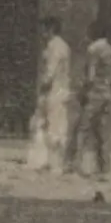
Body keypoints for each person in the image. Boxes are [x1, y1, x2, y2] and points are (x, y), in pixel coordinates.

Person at [74, 19, 111, 179]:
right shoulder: (109, 49)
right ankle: (104, 166)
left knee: (82, 129)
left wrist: (83, 92)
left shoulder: (93, 49)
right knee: (101, 131)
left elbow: (90, 76)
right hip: (106, 93)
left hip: (94, 94)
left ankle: (78, 164)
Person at [36, 17, 72, 173]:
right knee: (59, 125)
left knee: (53, 125)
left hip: (54, 90)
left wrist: (43, 84)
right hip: (62, 89)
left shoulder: (54, 46)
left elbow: (51, 70)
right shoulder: (64, 45)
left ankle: (55, 163)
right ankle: (56, 161)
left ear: (50, 29)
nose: (42, 33)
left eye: (44, 29)